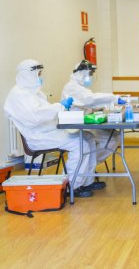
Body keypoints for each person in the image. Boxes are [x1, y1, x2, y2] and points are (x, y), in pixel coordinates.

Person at [4, 59, 100, 197]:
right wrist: (59, 106)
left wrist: (59, 108)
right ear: (28, 75)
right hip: (37, 137)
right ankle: (71, 186)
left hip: (48, 132)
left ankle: (87, 181)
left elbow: (44, 111)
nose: (40, 78)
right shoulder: (18, 95)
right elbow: (36, 116)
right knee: (80, 144)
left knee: (88, 137)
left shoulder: (34, 93)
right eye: (38, 74)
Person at [62, 59, 122, 168]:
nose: (91, 76)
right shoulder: (71, 87)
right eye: (90, 74)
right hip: (76, 125)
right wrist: (114, 98)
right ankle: (87, 167)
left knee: (116, 135)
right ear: (81, 73)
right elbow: (90, 99)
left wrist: (105, 105)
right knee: (111, 139)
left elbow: (88, 102)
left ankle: (88, 167)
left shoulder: (79, 88)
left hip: (85, 122)